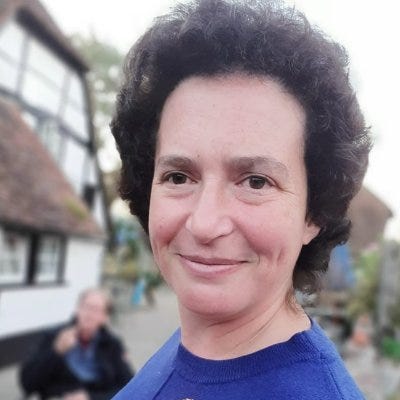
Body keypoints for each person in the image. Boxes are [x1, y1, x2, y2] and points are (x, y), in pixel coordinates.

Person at [110, 0, 371, 398]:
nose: (204, 223)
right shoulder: (190, 348)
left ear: (312, 213)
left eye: (256, 182)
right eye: (178, 176)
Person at [20, 288, 134, 400]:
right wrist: (56, 352)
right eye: (86, 307)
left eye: (96, 310)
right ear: (77, 309)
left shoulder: (111, 344)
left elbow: (130, 389)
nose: (89, 314)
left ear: (105, 317)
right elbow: (27, 383)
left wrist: (91, 397)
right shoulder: (54, 336)